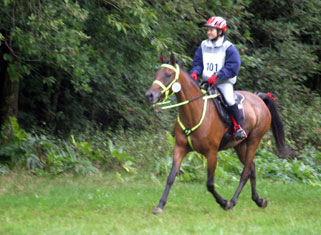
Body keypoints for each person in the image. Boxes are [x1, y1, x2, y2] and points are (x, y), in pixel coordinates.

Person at [190, 16, 247, 140]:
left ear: (220, 32)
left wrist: (218, 75)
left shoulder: (229, 48)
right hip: (207, 82)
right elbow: (198, 63)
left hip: (223, 83)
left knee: (230, 100)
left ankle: (239, 127)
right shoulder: (203, 45)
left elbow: (233, 66)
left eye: (211, 30)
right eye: (208, 30)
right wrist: (195, 72)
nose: (209, 32)